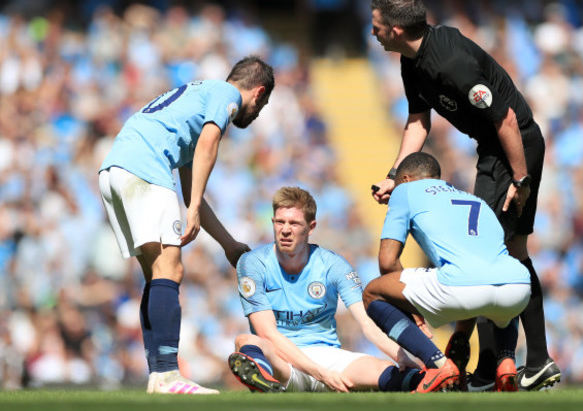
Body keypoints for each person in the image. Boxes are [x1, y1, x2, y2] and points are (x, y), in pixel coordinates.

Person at [369, 0, 560, 391]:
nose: (373, 32)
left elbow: (506, 119)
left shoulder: (451, 63)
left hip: (513, 148)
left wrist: (520, 181)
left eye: (377, 26)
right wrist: (394, 174)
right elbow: (419, 121)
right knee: (512, 252)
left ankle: (500, 364)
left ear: (397, 29)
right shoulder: (411, 61)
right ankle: (519, 362)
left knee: (496, 252)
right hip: (494, 150)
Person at [98, 56, 274, 394]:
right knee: (171, 270)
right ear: (259, 93)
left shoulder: (196, 99)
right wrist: (191, 208)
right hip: (144, 167)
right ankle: (167, 375)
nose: (255, 112)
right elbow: (209, 144)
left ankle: (157, 376)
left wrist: (229, 245)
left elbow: (193, 186)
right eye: (261, 106)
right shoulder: (226, 94)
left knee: (157, 274)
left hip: (116, 168)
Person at [228, 186, 425, 393]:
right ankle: (269, 386)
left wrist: (401, 356)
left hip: (327, 357)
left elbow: (368, 322)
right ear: (273, 223)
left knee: (386, 369)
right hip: (283, 361)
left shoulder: (334, 265)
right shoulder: (252, 263)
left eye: (294, 223)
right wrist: (320, 374)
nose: (285, 229)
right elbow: (267, 334)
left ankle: (436, 384)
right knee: (246, 341)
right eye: (280, 222)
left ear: (311, 227)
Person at [363, 152, 531, 392]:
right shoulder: (474, 200)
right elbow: (482, 268)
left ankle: (438, 365)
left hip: (461, 287)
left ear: (407, 179)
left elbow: (387, 262)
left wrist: (412, 311)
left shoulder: (405, 191)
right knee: (494, 279)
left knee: (372, 293)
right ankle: (506, 362)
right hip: (517, 287)